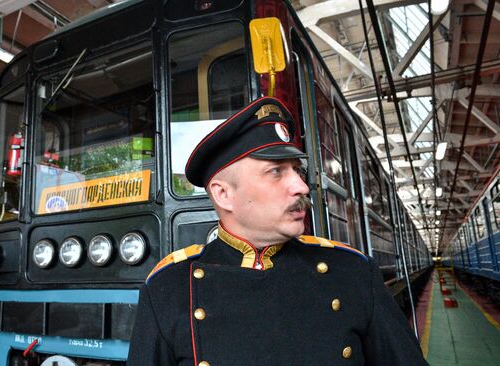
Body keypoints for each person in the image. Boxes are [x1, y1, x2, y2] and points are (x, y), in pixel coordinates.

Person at [127, 97, 428, 365]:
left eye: (297, 170)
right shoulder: (168, 289)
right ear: (223, 195)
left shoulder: (352, 272)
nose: (300, 185)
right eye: (275, 171)